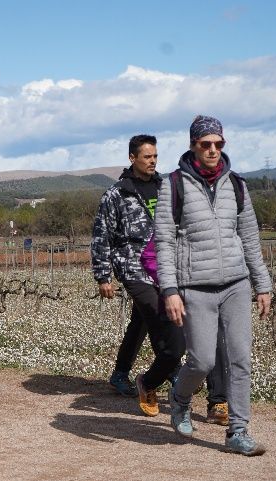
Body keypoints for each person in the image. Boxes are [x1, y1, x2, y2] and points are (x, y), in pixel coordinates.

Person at [155, 115, 272, 456]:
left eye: (218, 144)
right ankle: (179, 399)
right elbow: (163, 241)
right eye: (206, 144)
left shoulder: (236, 184)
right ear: (193, 145)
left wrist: (262, 284)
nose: (213, 150)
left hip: (236, 282)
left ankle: (238, 431)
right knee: (202, 361)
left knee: (239, 360)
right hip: (195, 286)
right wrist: (170, 291)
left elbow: (249, 237)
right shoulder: (173, 185)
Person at [91, 135, 185, 417]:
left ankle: (120, 374)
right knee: (158, 314)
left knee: (140, 322)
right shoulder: (116, 194)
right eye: (147, 157)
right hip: (132, 266)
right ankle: (173, 372)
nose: (153, 161)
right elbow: (101, 235)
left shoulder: (165, 187)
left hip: (164, 265)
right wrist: (103, 275)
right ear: (132, 158)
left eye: (155, 156)